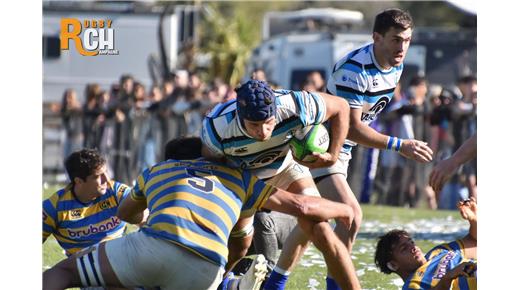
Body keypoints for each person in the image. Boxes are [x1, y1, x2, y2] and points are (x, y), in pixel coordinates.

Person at [43, 137, 361, 290]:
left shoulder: (158, 170)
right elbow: (302, 207)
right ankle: (230, 286)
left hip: (151, 248)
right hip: (206, 265)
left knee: (65, 272)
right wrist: (345, 208)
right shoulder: (239, 176)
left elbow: (127, 214)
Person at [308, 9, 434, 289]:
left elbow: (362, 122)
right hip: (323, 145)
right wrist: (399, 145)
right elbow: (351, 127)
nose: (402, 47)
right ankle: (336, 285)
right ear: (376, 37)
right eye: (396, 40)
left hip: (343, 147)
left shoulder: (396, 64)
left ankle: (278, 279)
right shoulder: (355, 69)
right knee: (350, 216)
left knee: (308, 223)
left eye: (408, 40)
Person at [200, 79, 351, 290]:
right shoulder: (218, 128)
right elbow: (210, 167)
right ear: (239, 116)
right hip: (245, 179)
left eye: (269, 122)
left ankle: (276, 283)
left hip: (286, 167)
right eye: (254, 125)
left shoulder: (294, 104)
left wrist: (334, 155)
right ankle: (220, 283)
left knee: (318, 225)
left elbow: (341, 106)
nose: (263, 131)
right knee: (239, 246)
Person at [43, 149, 135, 256]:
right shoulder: (54, 207)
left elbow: (147, 222)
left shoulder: (117, 192)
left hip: (120, 261)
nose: (106, 179)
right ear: (79, 181)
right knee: (52, 273)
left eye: (106, 172)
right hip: (80, 268)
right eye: (98, 176)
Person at [374, 197, 477, 289]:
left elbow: (473, 241)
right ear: (393, 265)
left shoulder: (437, 252)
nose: (413, 247)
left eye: (411, 242)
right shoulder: (412, 285)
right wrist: (448, 277)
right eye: (404, 248)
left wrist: (474, 220)